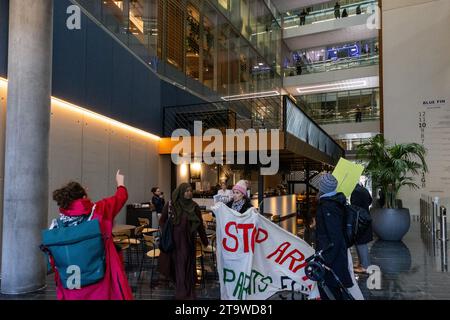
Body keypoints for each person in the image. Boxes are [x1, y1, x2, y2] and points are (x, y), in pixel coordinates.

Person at [51, 170, 133, 300]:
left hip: (72, 282)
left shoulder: (56, 224)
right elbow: (120, 197)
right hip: (99, 277)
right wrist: (120, 183)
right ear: (83, 197)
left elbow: (54, 259)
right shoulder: (99, 211)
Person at [158, 183, 208, 300]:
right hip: (175, 243)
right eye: (186, 191)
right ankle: (182, 292)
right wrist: (168, 230)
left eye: (190, 191)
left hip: (189, 242)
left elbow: (199, 225)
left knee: (187, 265)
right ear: (181, 192)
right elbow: (162, 220)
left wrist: (205, 240)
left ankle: (185, 289)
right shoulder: (172, 205)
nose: (189, 193)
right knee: (180, 265)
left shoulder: (194, 206)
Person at [315, 173, 353, 300]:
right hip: (335, 255)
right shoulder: (335, 201)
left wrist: (326, 260)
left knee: (330, 292)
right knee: (335, 291)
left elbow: (334, 235)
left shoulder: (328, 206)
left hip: (331, 258)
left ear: (323, 188)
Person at [350, 180, 373, 273]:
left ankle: (365, 266)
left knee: (361, 243)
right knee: (360, 242)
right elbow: (370, 201)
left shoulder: (355, 192)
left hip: (360, 219)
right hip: (365, 216)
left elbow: (354, 206)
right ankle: (361, 263)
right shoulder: (363, 189)